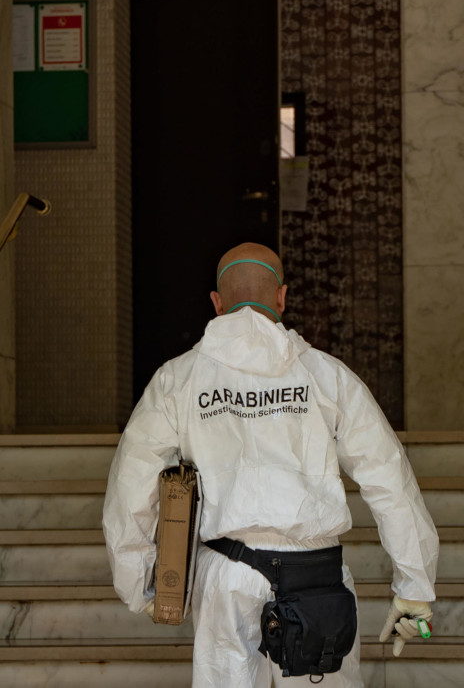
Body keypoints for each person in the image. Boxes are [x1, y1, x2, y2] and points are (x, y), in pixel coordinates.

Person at [103, 243, 440, 687]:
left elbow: (133, 486)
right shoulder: (326, 376)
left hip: (227, 576)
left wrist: (139, 582)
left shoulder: (177, 380)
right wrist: (414, 586)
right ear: (281, 298)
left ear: (217, 303)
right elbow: (388, 476)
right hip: (317, 581)